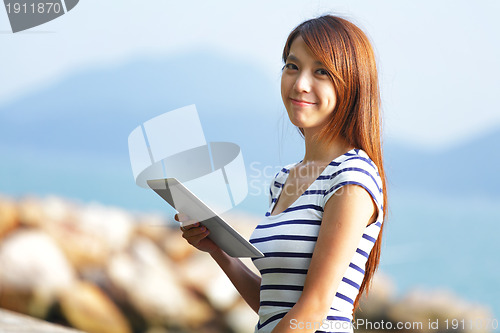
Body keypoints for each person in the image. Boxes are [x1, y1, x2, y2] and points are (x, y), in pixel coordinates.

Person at [175, 14, 387, 333]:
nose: (300, 83)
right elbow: (272, 305)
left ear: (353, 83)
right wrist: (218, 251)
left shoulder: (352, 176)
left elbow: (314, 308)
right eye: (292, 66)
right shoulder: (284, 179)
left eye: (321, 71)